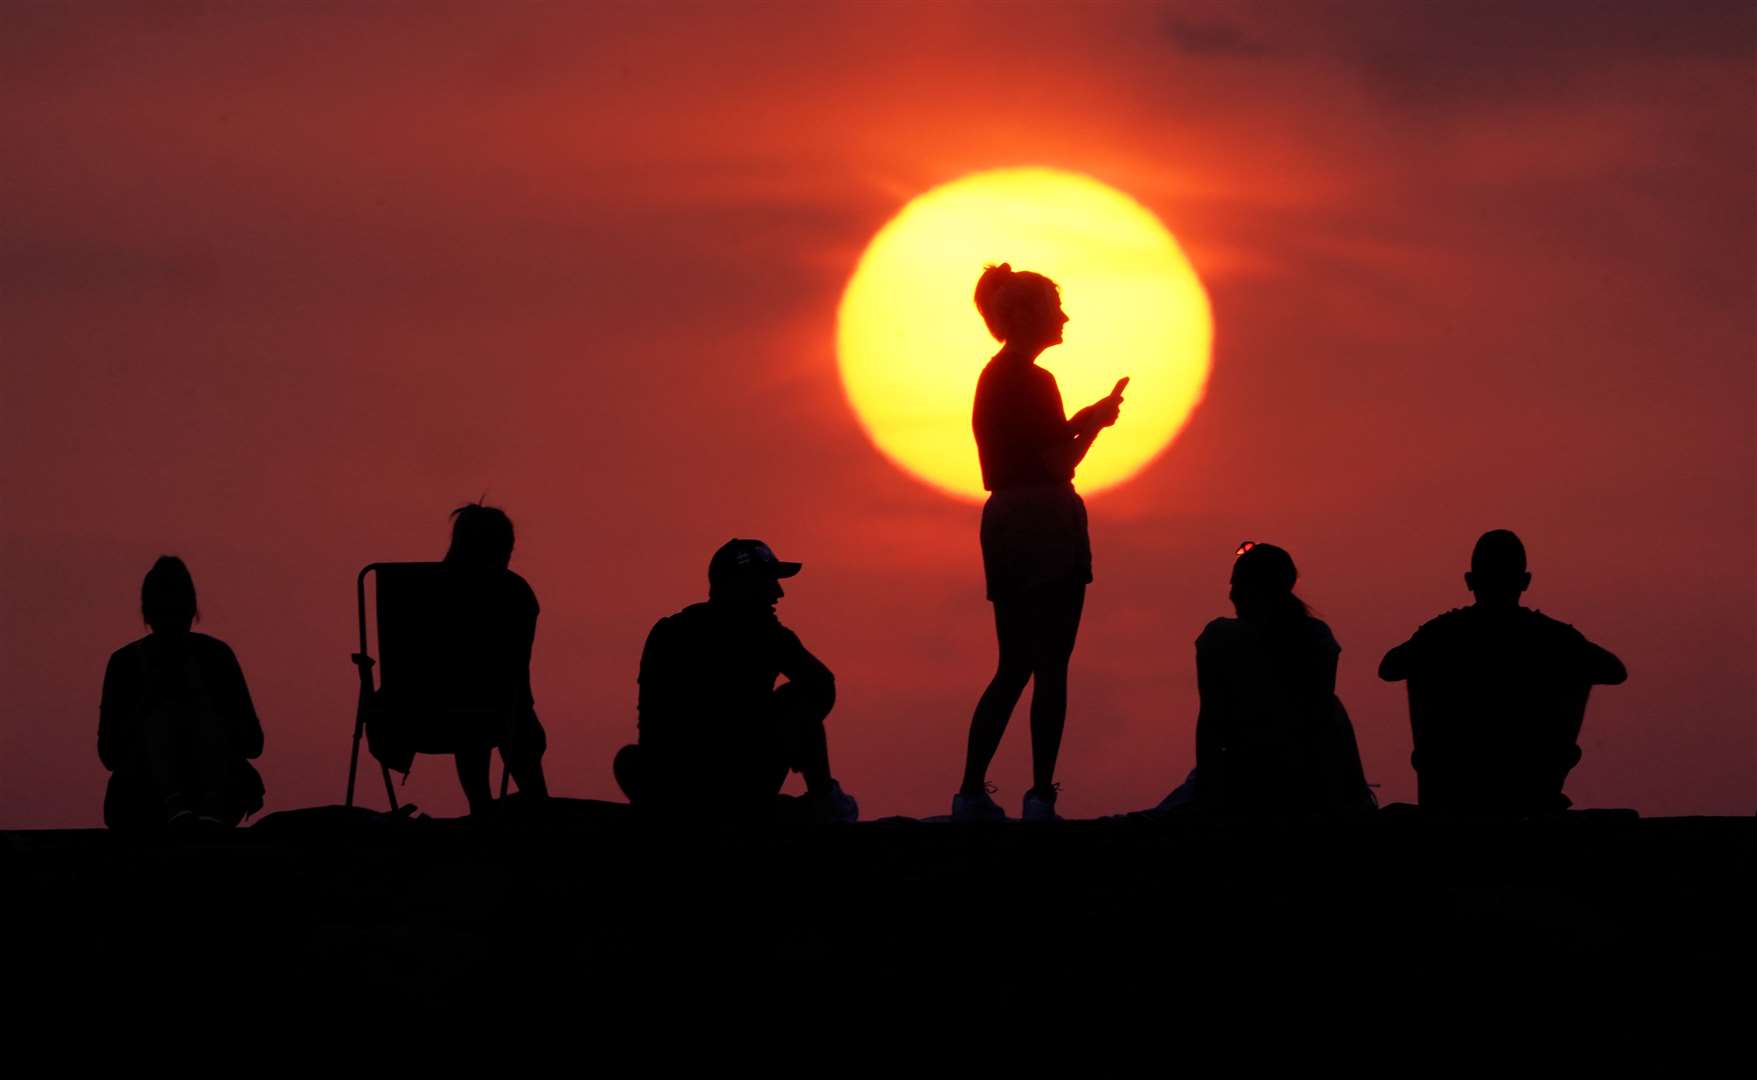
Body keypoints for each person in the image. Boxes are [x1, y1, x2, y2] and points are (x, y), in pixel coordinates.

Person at [954, 264, 1125, 822]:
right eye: (1054, 307)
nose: (1065, 317)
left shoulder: (996, 376)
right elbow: (1056, 462)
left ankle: (971, 792)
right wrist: (1094, 426)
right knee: (1052, 666)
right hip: (1045, 523)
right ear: (1026, 316)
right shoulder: (1033, 380)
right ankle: (1039, 797)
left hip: (1005, 522)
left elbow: (1034, 447)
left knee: (1013, 665)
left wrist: (1082, 420)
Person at [1379, 529, 1626, 814]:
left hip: (1450, 789)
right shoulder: (1555, 638)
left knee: (1421, 668)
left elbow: (1390, 668)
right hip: (1532, 786)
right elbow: (1613, 671)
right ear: (1525, 581)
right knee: (1574, 668)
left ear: (1470, 582)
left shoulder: (1440, 635)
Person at [614, 539, 858, 823]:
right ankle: (823, 802)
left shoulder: (667, 631)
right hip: (728, 783)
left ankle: (712, 807)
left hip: (672, 787)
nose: (778, 593)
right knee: (797, 701)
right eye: (769, 583)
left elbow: (651, 726)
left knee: (630, 758)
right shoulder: (766, 635)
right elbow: (822, 685)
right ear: (744, 586)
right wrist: (783, 724)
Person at [1170, 542, 1374, 815]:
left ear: (1245, 589)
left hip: (1253, 776)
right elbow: (1320, 711)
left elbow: (1210, 720)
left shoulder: (1221, 638)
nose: (1231, 593)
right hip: (1322, 778)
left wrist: (1210, 790)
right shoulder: (1318, 636)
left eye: (1235, 584)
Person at [98, 556, 265, 832]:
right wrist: (148, 706)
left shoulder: (215, 657)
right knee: (160, 718)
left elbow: (252, 743)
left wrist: (204, 712)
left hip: (209, 791)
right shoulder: (126, 664)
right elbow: (110, 754)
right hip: (145, 794)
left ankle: (196, 807)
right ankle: (180, 806)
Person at [436, 502, 550, 816]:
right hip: (496, 710)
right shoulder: (514, 593)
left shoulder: (421, 590)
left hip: (422, 710)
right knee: (506, 710)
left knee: (469, 710)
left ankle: (480, 806)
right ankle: (536, 804)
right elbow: (515, 670)